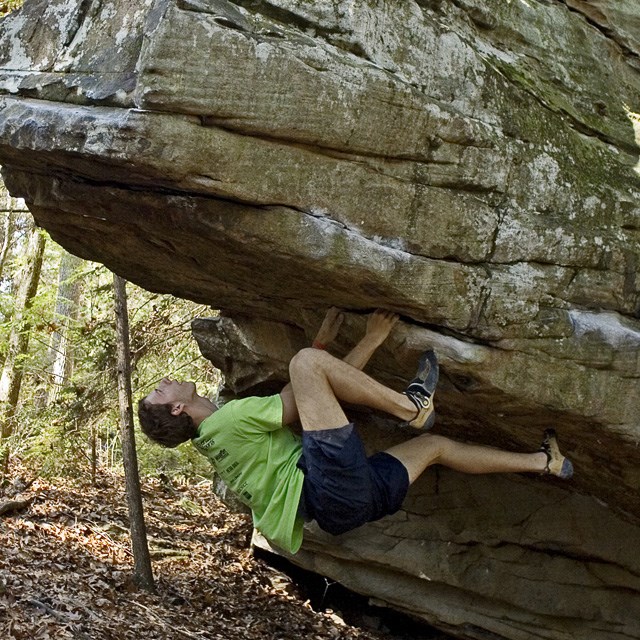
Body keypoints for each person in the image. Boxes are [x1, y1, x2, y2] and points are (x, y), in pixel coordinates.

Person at [138, 309, 573, 554]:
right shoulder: (227, 420)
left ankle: (545, 462)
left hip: (338, 509)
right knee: (305, 362)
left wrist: (343, 342)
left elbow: (319, 399)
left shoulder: (214, 442)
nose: (166, 382)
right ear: (178, 407)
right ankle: (412, 407)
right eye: (161, 391)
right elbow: (306, 382)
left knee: (436, 447)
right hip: (327, 487)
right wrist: (337, 345)